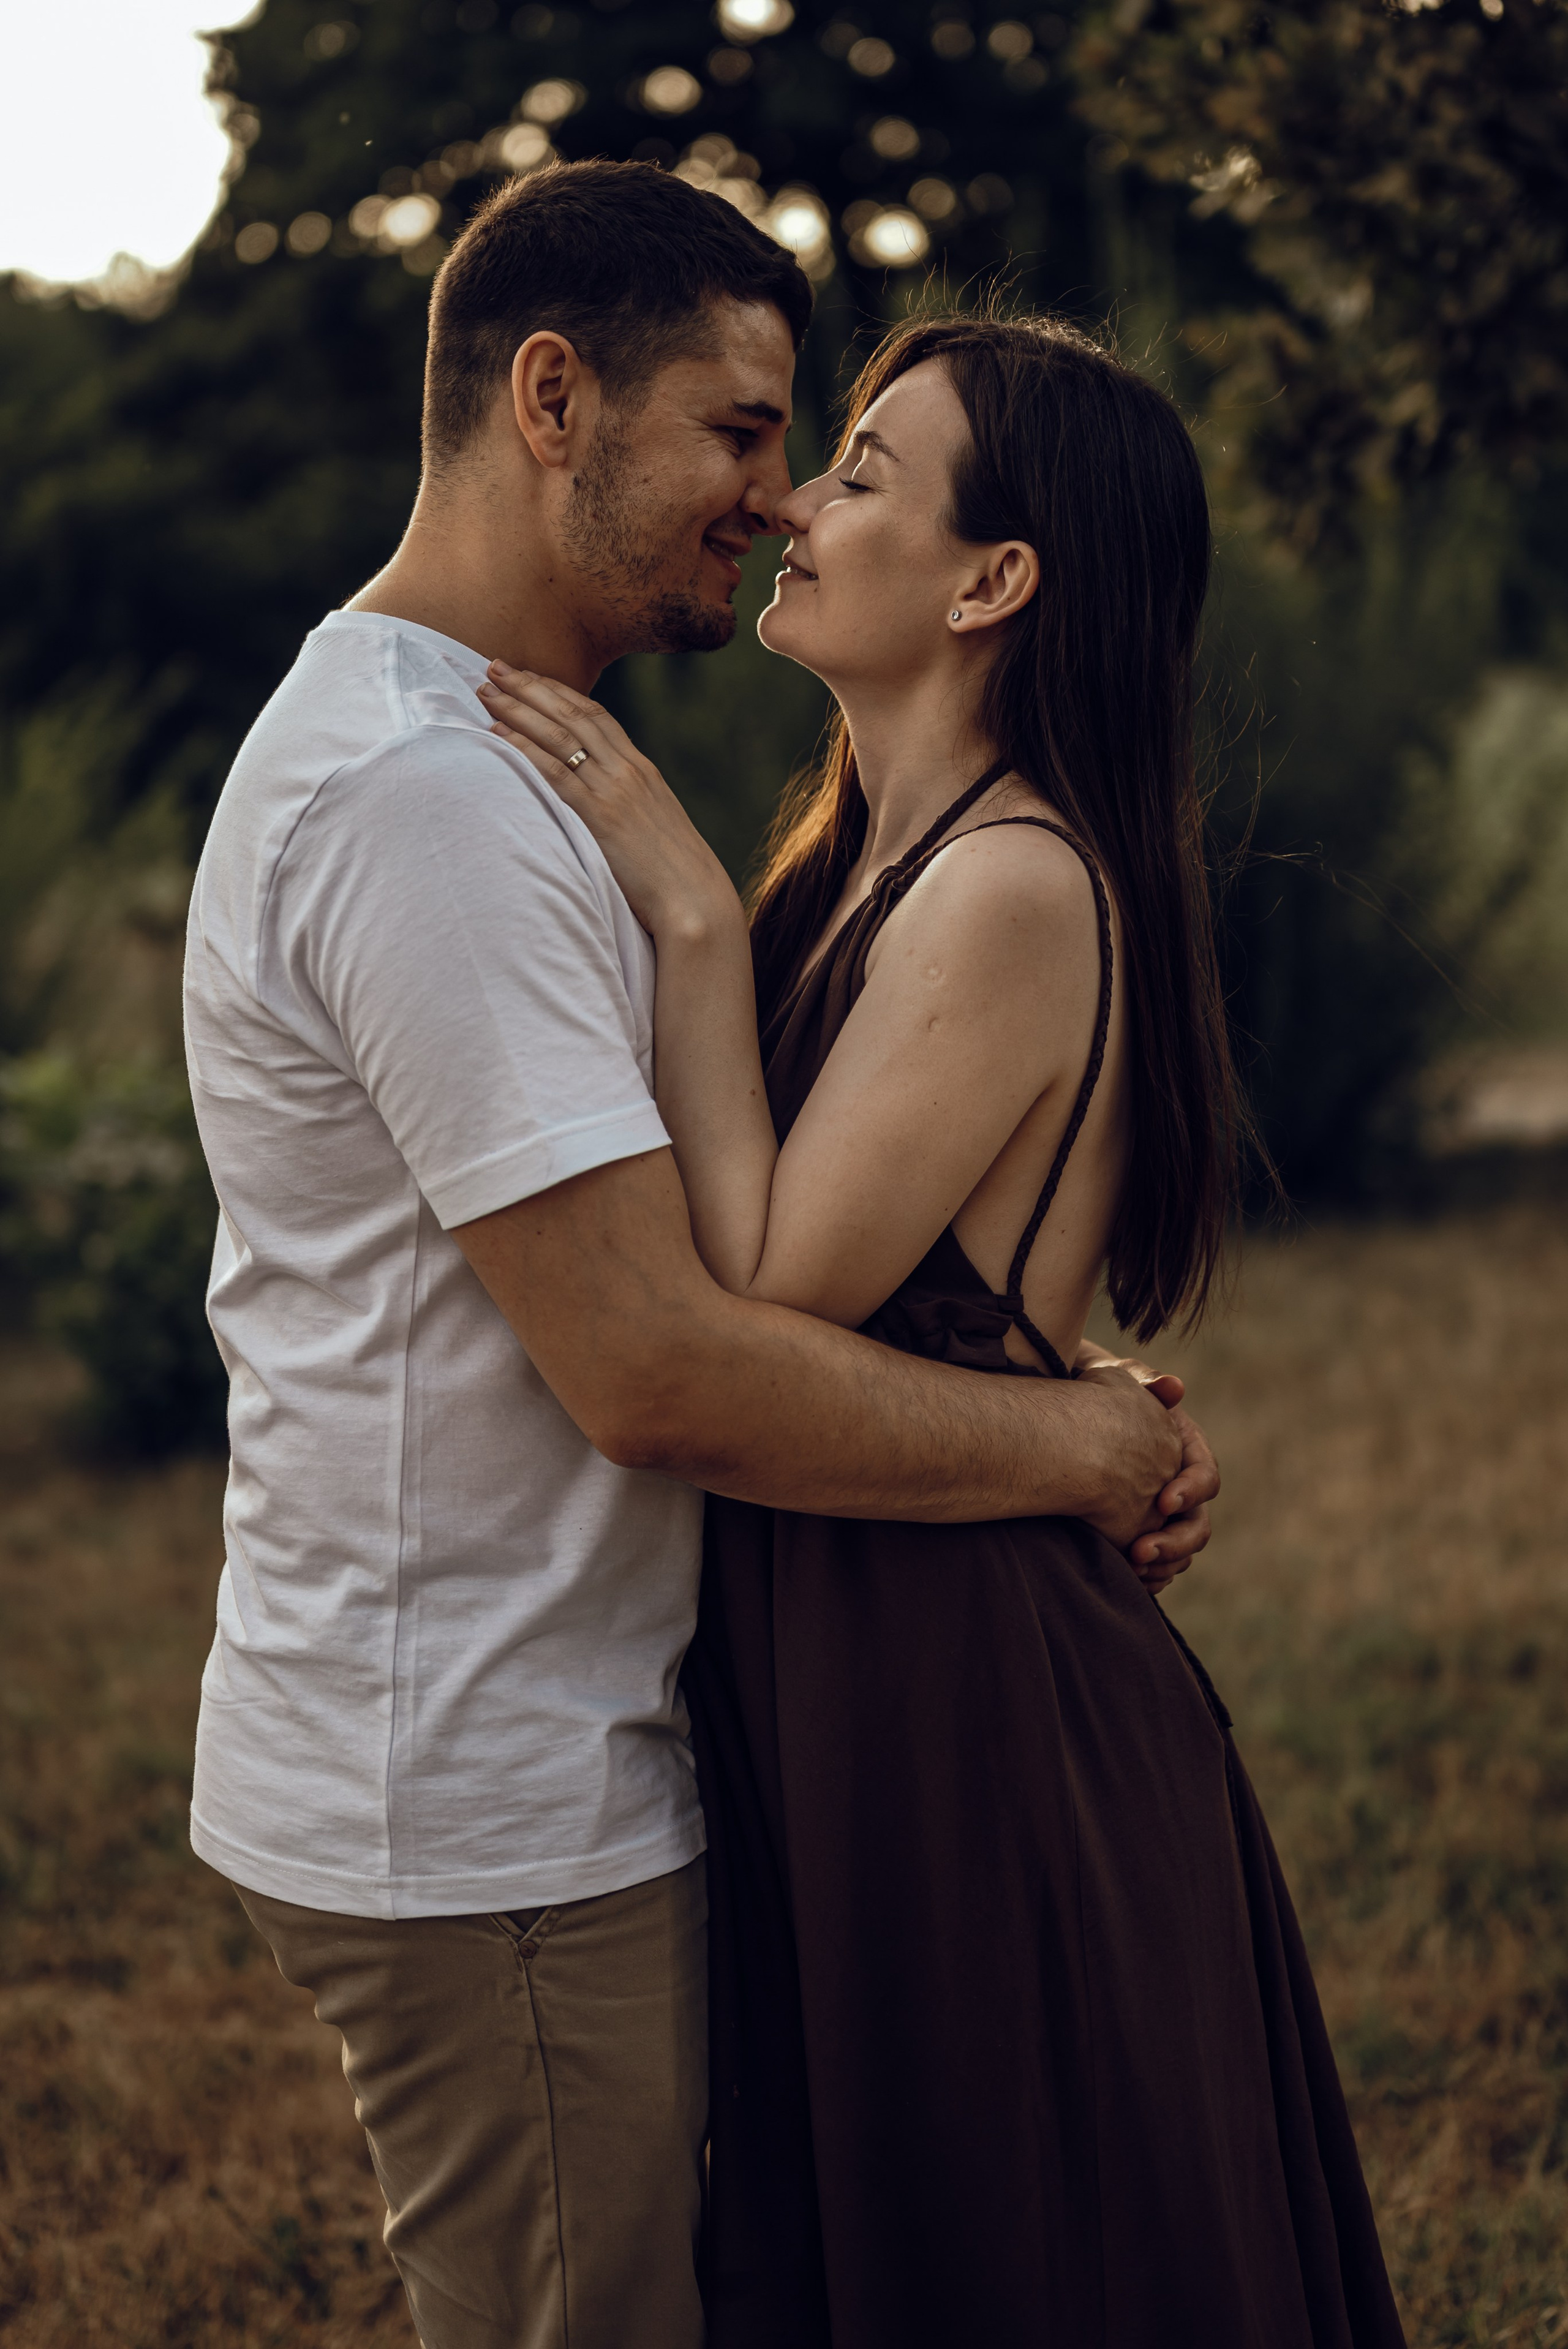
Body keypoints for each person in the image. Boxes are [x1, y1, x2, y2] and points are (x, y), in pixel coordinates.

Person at [184, 164, 1219, 2349]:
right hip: (493, 1777)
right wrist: (1080, 1448)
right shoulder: (433, 805)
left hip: (634, 1729)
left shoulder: (521, 778)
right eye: (755, 435)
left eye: (824, 455)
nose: (773, 503)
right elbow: (664, 1366)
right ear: (553, 398)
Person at [478, 311, 1408, 2347]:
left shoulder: (1007, 889)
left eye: (870, 474)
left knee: (1023, 2244)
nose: (801, 502)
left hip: (972, 1692)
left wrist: (689, 919)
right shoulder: (853, 865)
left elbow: (766, 1287)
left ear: (996, 582)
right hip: (846, 1651)